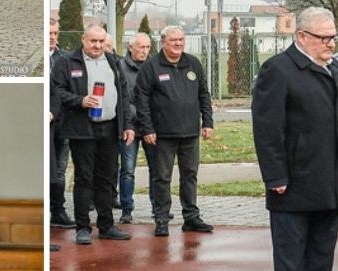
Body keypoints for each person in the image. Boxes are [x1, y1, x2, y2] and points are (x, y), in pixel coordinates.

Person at [252, 7, 338, 271]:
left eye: (333, 37)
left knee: (322, 251)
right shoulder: (278, 71)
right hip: (293, 183)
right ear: (301, 36)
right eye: (323, 37)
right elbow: (268, 130)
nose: (330, 43)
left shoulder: (335, 68)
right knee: (290, 255)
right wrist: (275, 176)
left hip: (329, 181)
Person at [50, 23, 134, 245]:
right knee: (84, 179)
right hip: (82, 130)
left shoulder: (114, 62)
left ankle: (106, 225)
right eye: (93, 41)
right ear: (83, 40)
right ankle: (83, 227)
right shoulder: (66, 63)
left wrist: (127, 125)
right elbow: (56, 91)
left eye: (101, 41)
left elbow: (124, 95)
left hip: (110, 127)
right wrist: (81, 101)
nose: (97, 45)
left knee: (107, 179)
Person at [134, 26, 216, 236]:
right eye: (173, 40)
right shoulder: (151, 67)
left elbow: (203, 95)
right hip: (162, 135)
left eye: (181, 39)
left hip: (190, 132)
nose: (178, 43)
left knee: (190, 175)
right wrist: (147, 129)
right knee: (162, 177)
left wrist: (207, 122)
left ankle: (191, 217)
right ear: (163, 42)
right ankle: (161, 219)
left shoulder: (193, 64)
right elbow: (141, 100)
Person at [114, 32, 151, 224]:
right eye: (141, 47)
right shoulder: (119, 68)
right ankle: (126, 208)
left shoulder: (154, 67)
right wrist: (129, 122)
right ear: (130, 47)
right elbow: (122, 99)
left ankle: (158, 206)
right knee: (127, 169)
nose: (144, 51)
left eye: (147, 47)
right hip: (129, 126)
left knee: (157, 169)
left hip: (150, 127)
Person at [48, 17, 74, 229]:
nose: (52, 38)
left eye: (55, 33)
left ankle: (58, 209)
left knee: (60, 168)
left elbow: (67, 89)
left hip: (62, 122)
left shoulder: (65, 58)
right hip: (43, 123)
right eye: (48, 33)